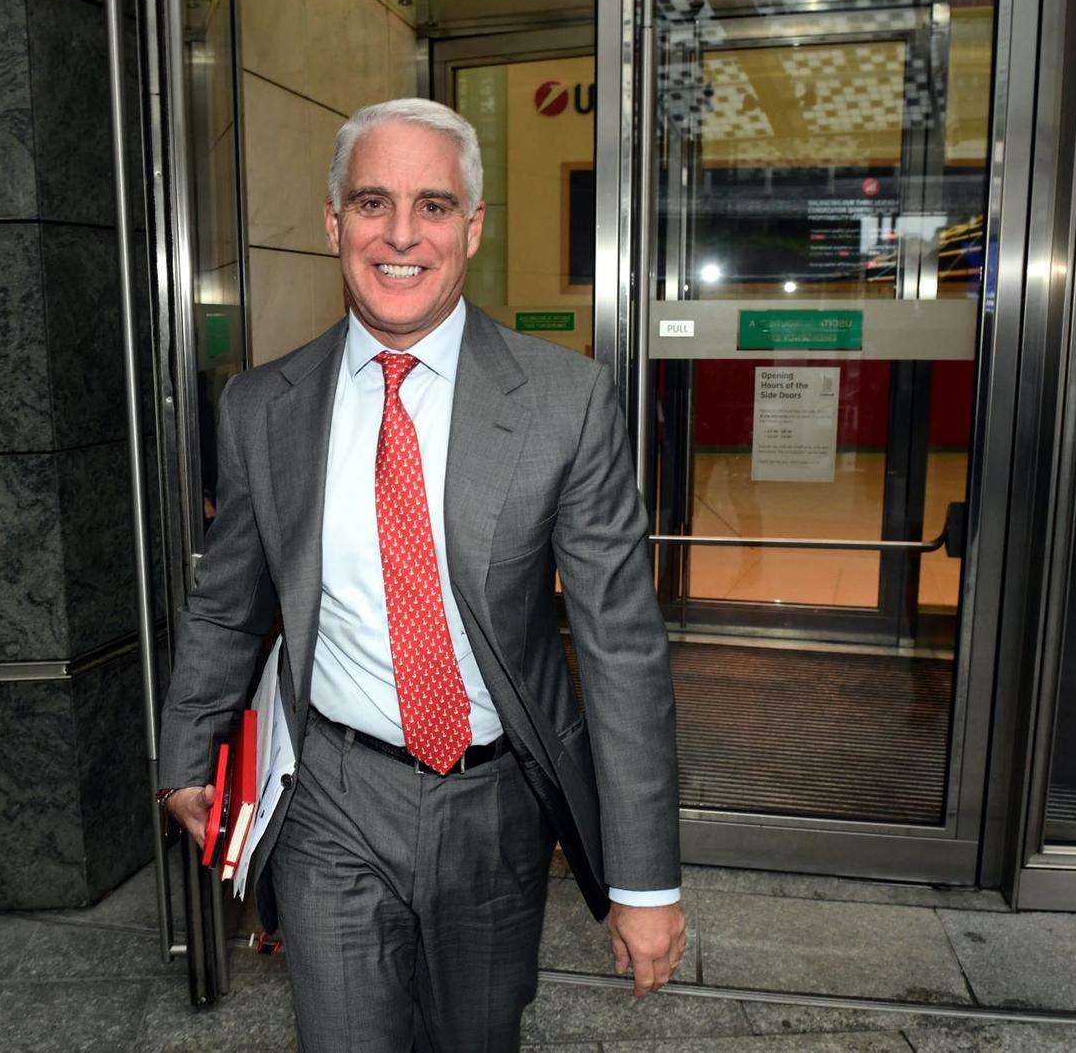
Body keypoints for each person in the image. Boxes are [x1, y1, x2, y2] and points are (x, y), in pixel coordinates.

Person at [157, 97, 684, 1051]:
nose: (401, 235)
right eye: (373, 203)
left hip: (496, 805)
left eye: (433, 206)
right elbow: (229, 605)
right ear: (334, 223)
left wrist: (645, 881)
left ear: (471, 228)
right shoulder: (261, 408)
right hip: (330, 797)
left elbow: (622, 649)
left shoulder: (564, 403)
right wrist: (188, 753)